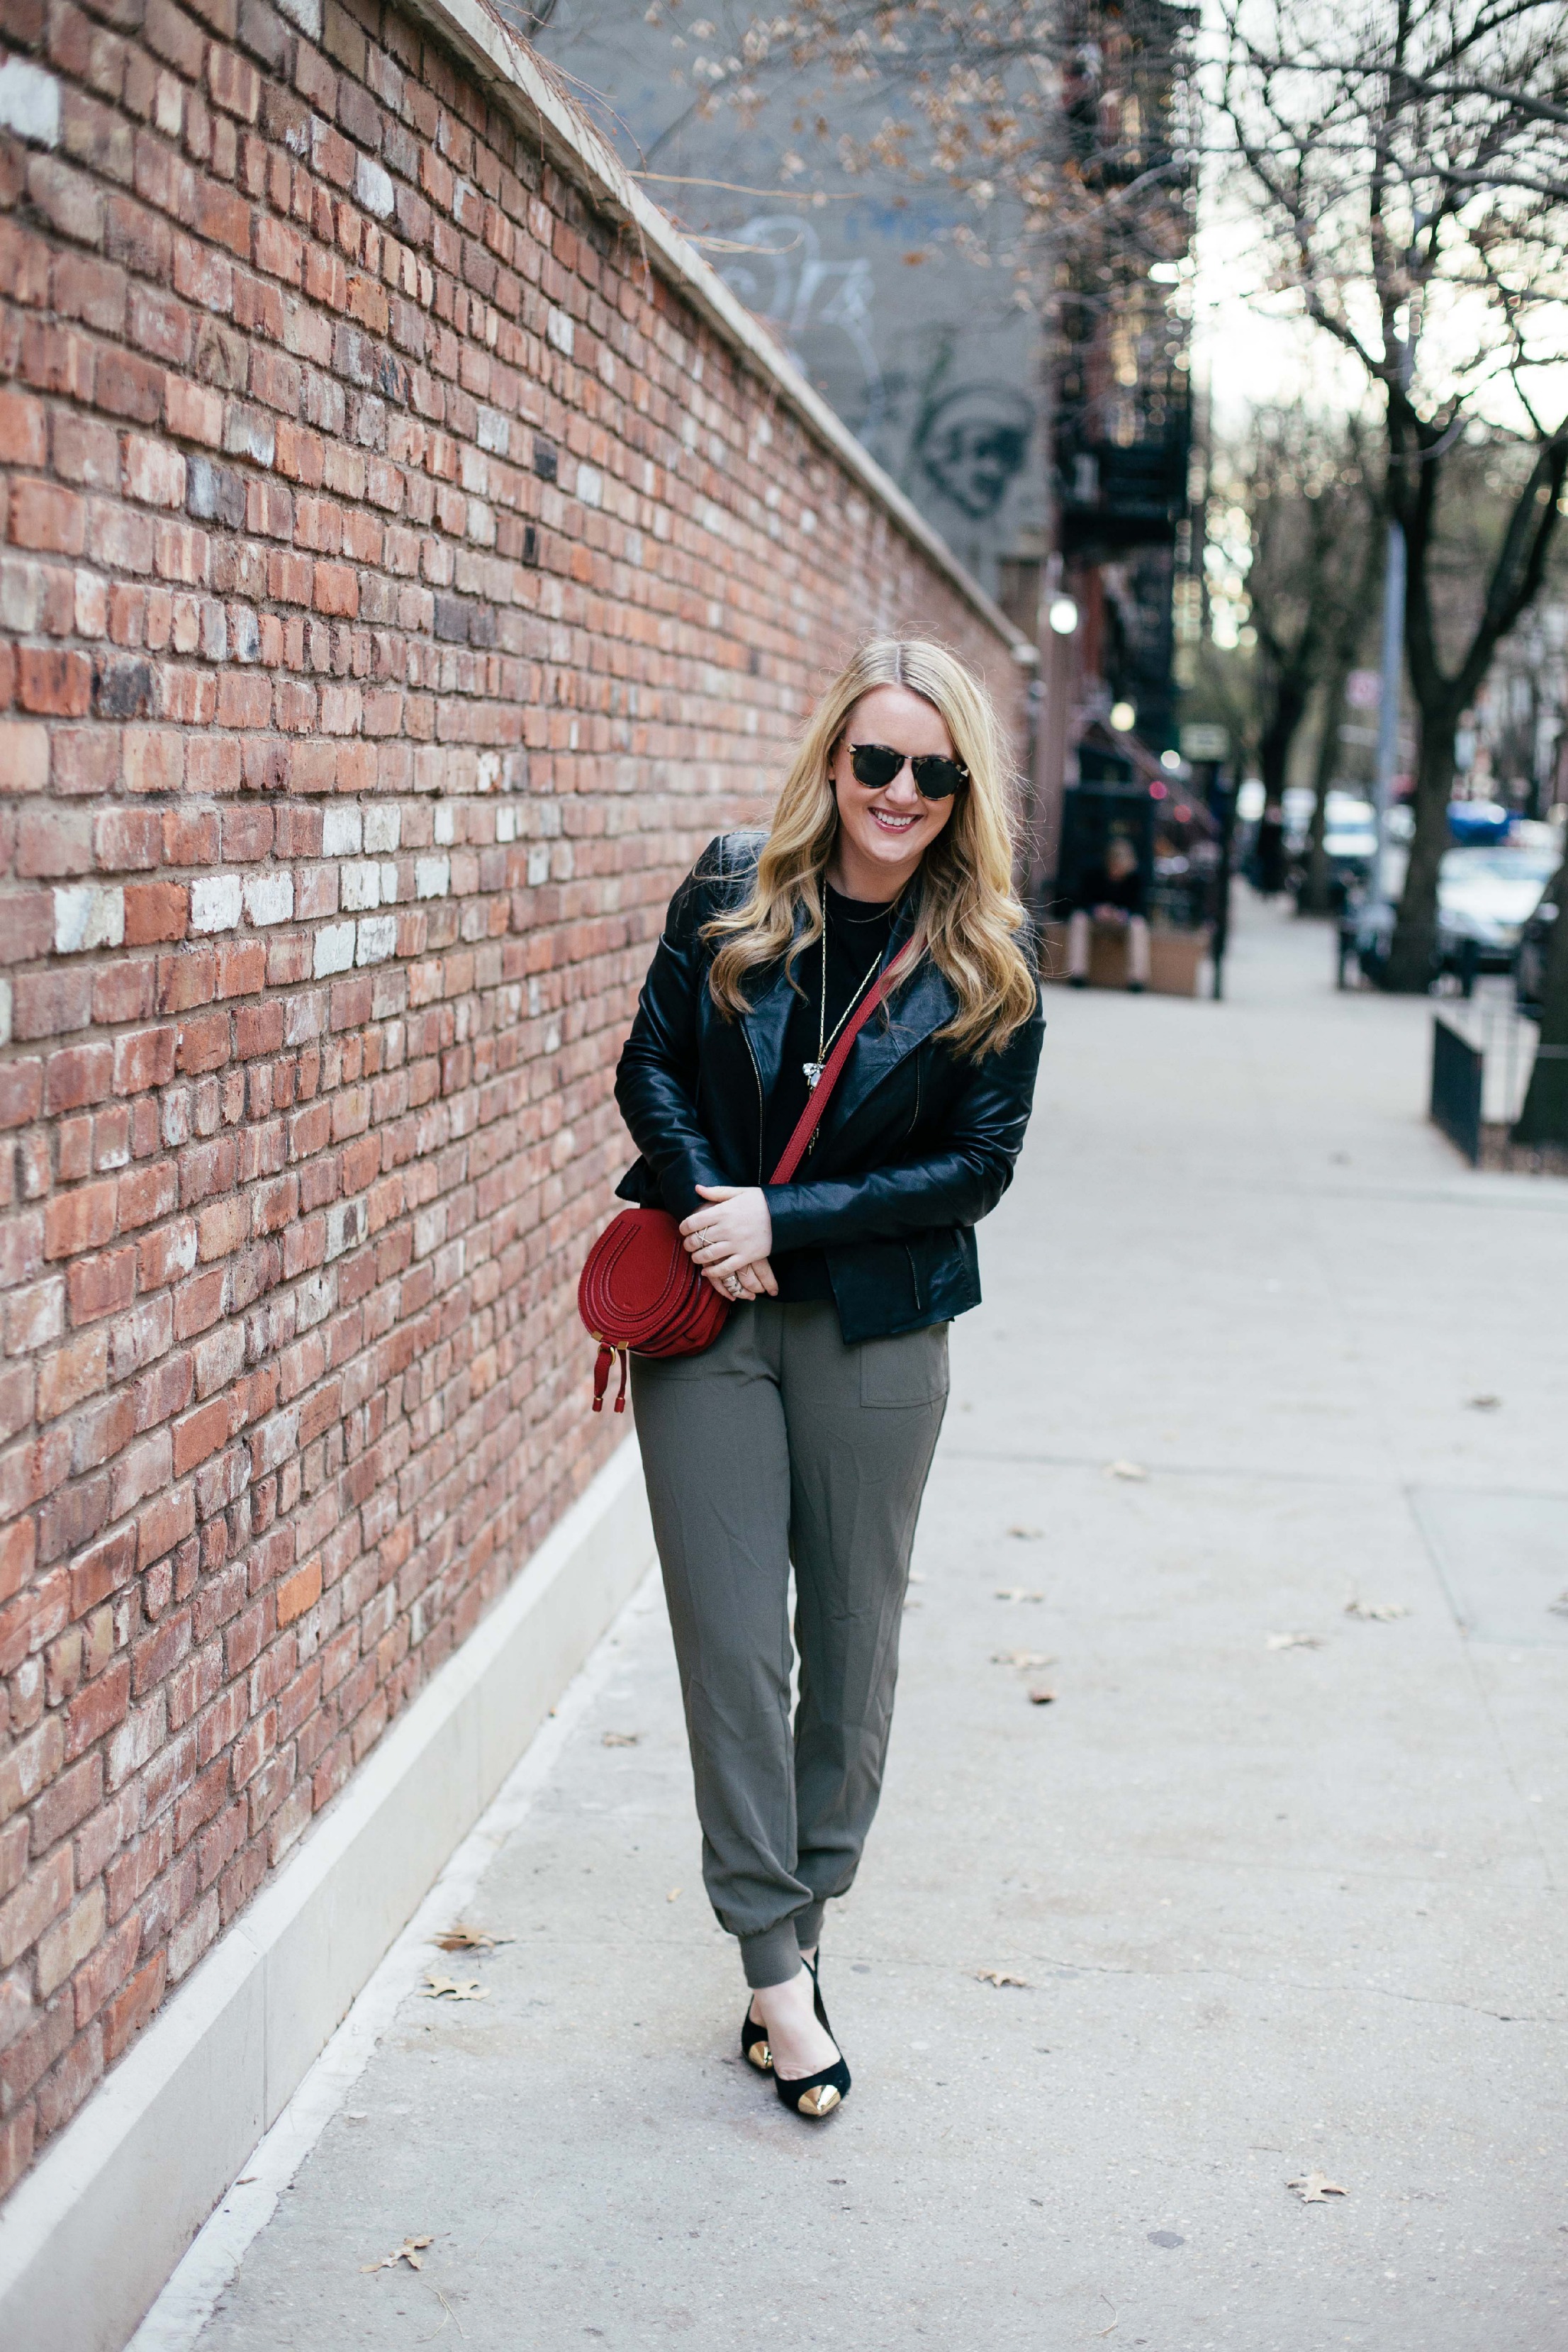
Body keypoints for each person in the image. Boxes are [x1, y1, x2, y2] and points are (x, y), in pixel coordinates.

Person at [614, 639, 1044, 2120]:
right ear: (831, 762)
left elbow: (976, 1166)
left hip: (872, 1329)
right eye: (878, 760)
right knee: (735, 1649)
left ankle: (806, 1911)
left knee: (850, 1647)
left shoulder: (986, 949)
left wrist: (779, 1218)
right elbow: (651, 1067)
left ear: (963, 790)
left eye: (935, 770)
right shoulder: (733, 887)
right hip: (707, 1329)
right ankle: (774, 1974)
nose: (900, 791)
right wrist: (697, 1203)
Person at [1066, 834, 1149, 990]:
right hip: (1096, 922)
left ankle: (1137, 979)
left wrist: (1124, 914)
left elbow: (1141, 908)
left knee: (1139, 925)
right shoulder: (1094, 874)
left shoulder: (1135, 879)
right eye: (1115, 866)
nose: (1118, 871)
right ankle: (1077, 974)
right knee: (1079, 919)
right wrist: (1096, 910)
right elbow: (1080, 901)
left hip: (1122, 925)